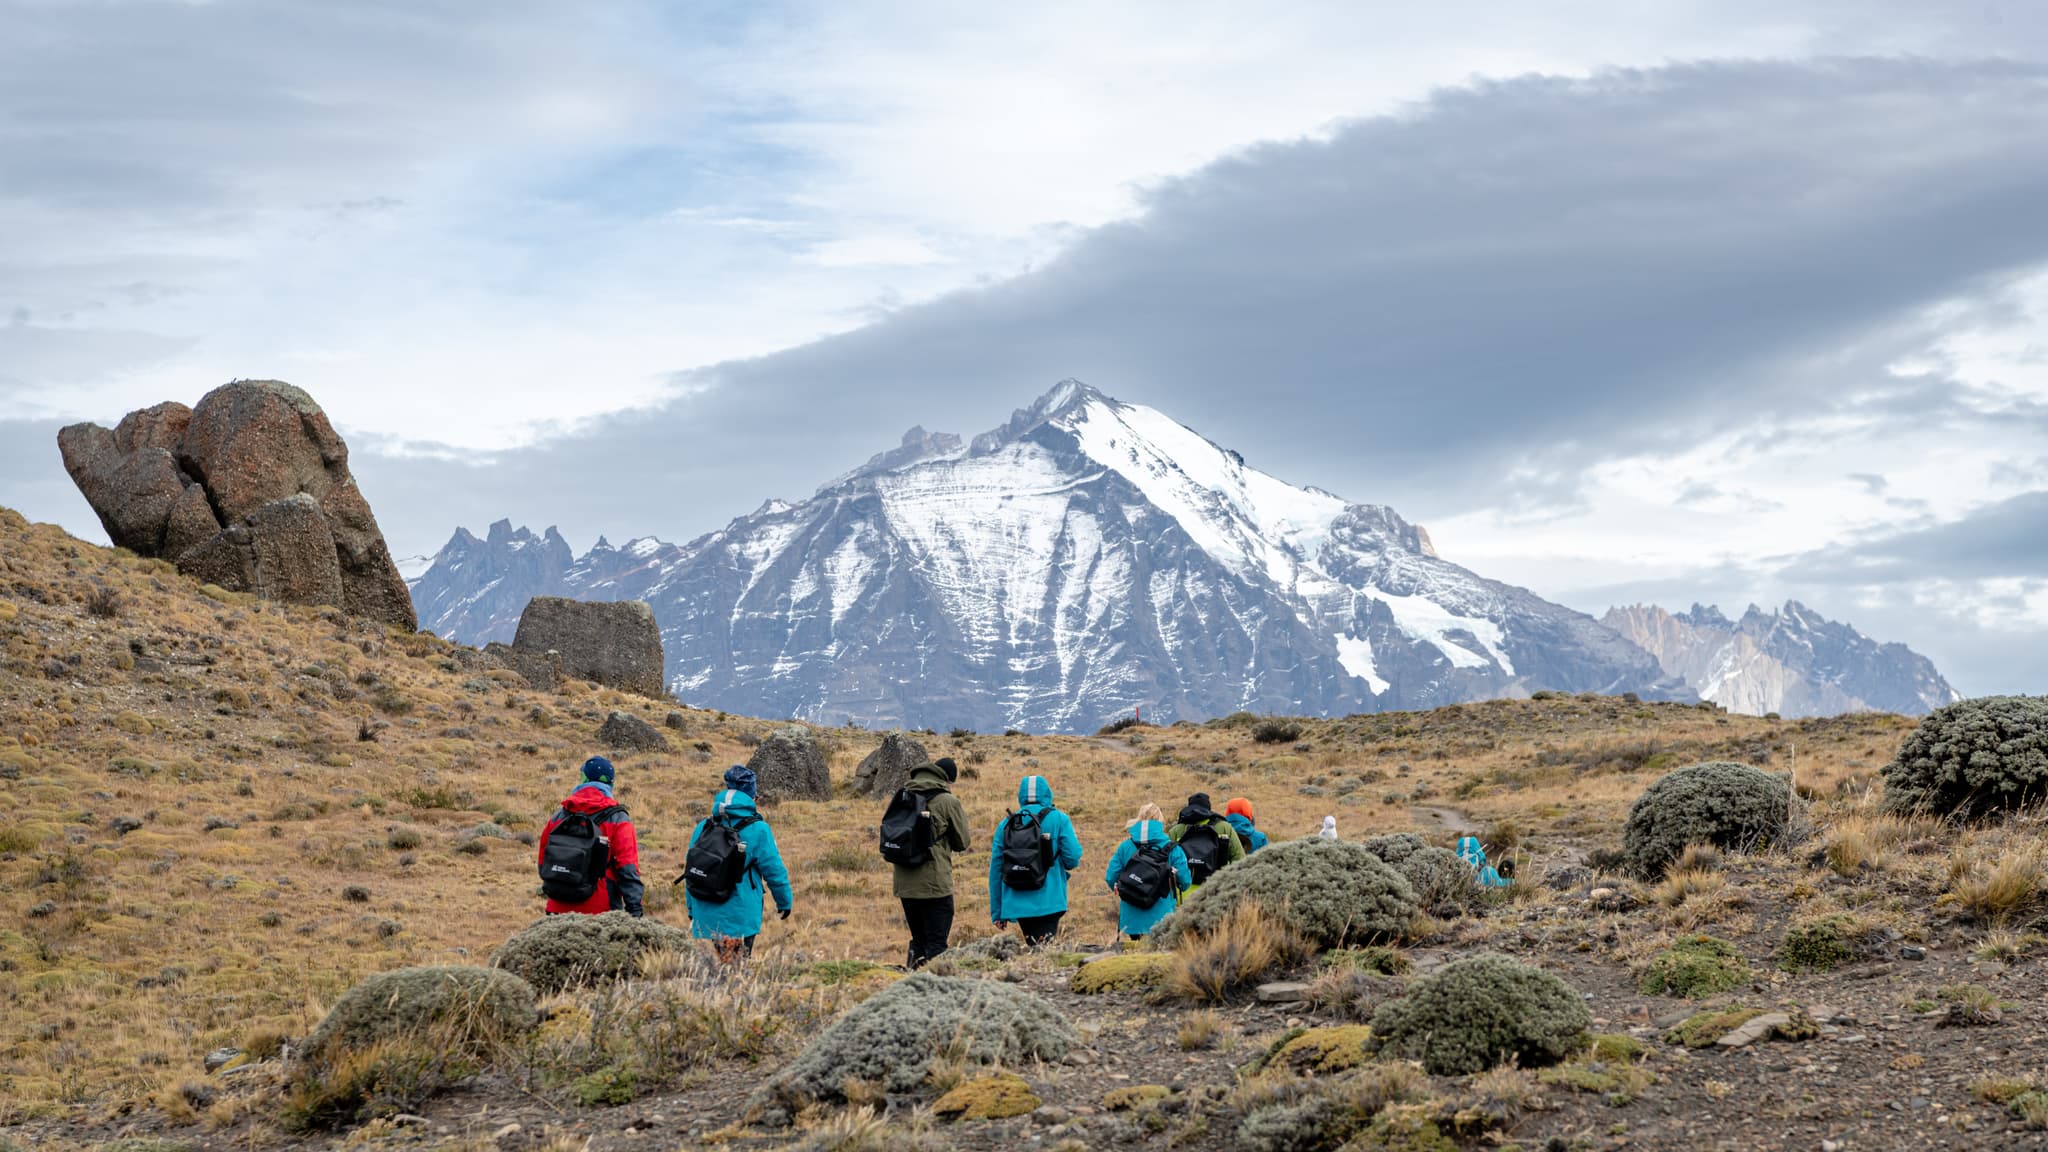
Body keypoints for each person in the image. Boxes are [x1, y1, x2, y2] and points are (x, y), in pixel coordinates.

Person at [682, 787, 792, 959]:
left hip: (706, 911)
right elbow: (774, 871)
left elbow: (692, 871)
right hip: (740, 913)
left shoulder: (704, 826)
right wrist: (784, 901)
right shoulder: (758, 829)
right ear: (751, 798)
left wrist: (691, 908)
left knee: (718, 964)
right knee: (738, 967)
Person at [884, 756, 971, 969]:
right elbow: (962, 842)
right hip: (935, 885)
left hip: (904, 884)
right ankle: (935, 984)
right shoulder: (947, 801)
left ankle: (911, 981)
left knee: (918, 939)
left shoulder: (903, 795)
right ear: (946, 779)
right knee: (936, 943)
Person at [537, 756, 644, 917]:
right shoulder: (618, 818)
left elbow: (543, 863)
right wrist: (635, 909)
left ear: (584, 779)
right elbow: (627, 868)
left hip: (557, 909)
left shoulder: (560, 815)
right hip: (601, 913)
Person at [988, 774, 1084, 945]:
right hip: (1050, 899)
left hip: (1018, 901)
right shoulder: (1059, 819)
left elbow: (996, 870)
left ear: (1021, 795)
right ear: (1047, 793)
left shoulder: (1005, 824)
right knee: (1044, 948)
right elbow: (1072, 859)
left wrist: (997, 911)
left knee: (1034, 944)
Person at [1104, 805, 1192, 941]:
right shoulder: (1173, 849)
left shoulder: (1125, 847)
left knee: (1136, 951)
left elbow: (1111, 877)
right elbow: (1185, 882)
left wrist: (1125, 890)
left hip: (1131, 918)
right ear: (1160, 821)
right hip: (1163, 917)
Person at [1166, 792, 1246, 889]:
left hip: (1183, 893)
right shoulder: (1224, 827)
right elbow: (1240, 859)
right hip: (1215, 891)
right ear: (1208, 809)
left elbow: (1166, 863)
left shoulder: (1176, 830)